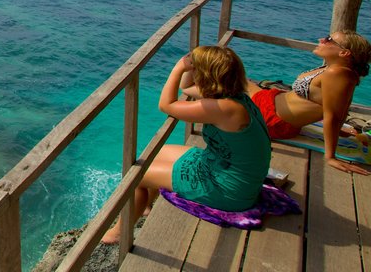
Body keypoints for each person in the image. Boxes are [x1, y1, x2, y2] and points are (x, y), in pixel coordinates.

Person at [101, 46, 270, 244]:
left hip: (228, 189)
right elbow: (186, 89)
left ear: (206, 74)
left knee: (136, 176)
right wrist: (190, 69)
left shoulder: (223, 108)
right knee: (158, 152)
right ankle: (145, 204)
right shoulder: (233, 96)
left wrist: (178, 68)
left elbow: (166, 105)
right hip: (226, 168)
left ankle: (120, 232)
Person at [244, 30, 371, 176]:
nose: (321, 39)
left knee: (224, 85)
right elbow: (342, 105)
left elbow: (334, 114)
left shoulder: (337, 74)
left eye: (329, 39)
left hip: (271, 118)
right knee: (236, 77)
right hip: (270, 102)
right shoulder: (333, 69)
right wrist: (340, 130)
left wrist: (330, 156)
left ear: (344, 53)